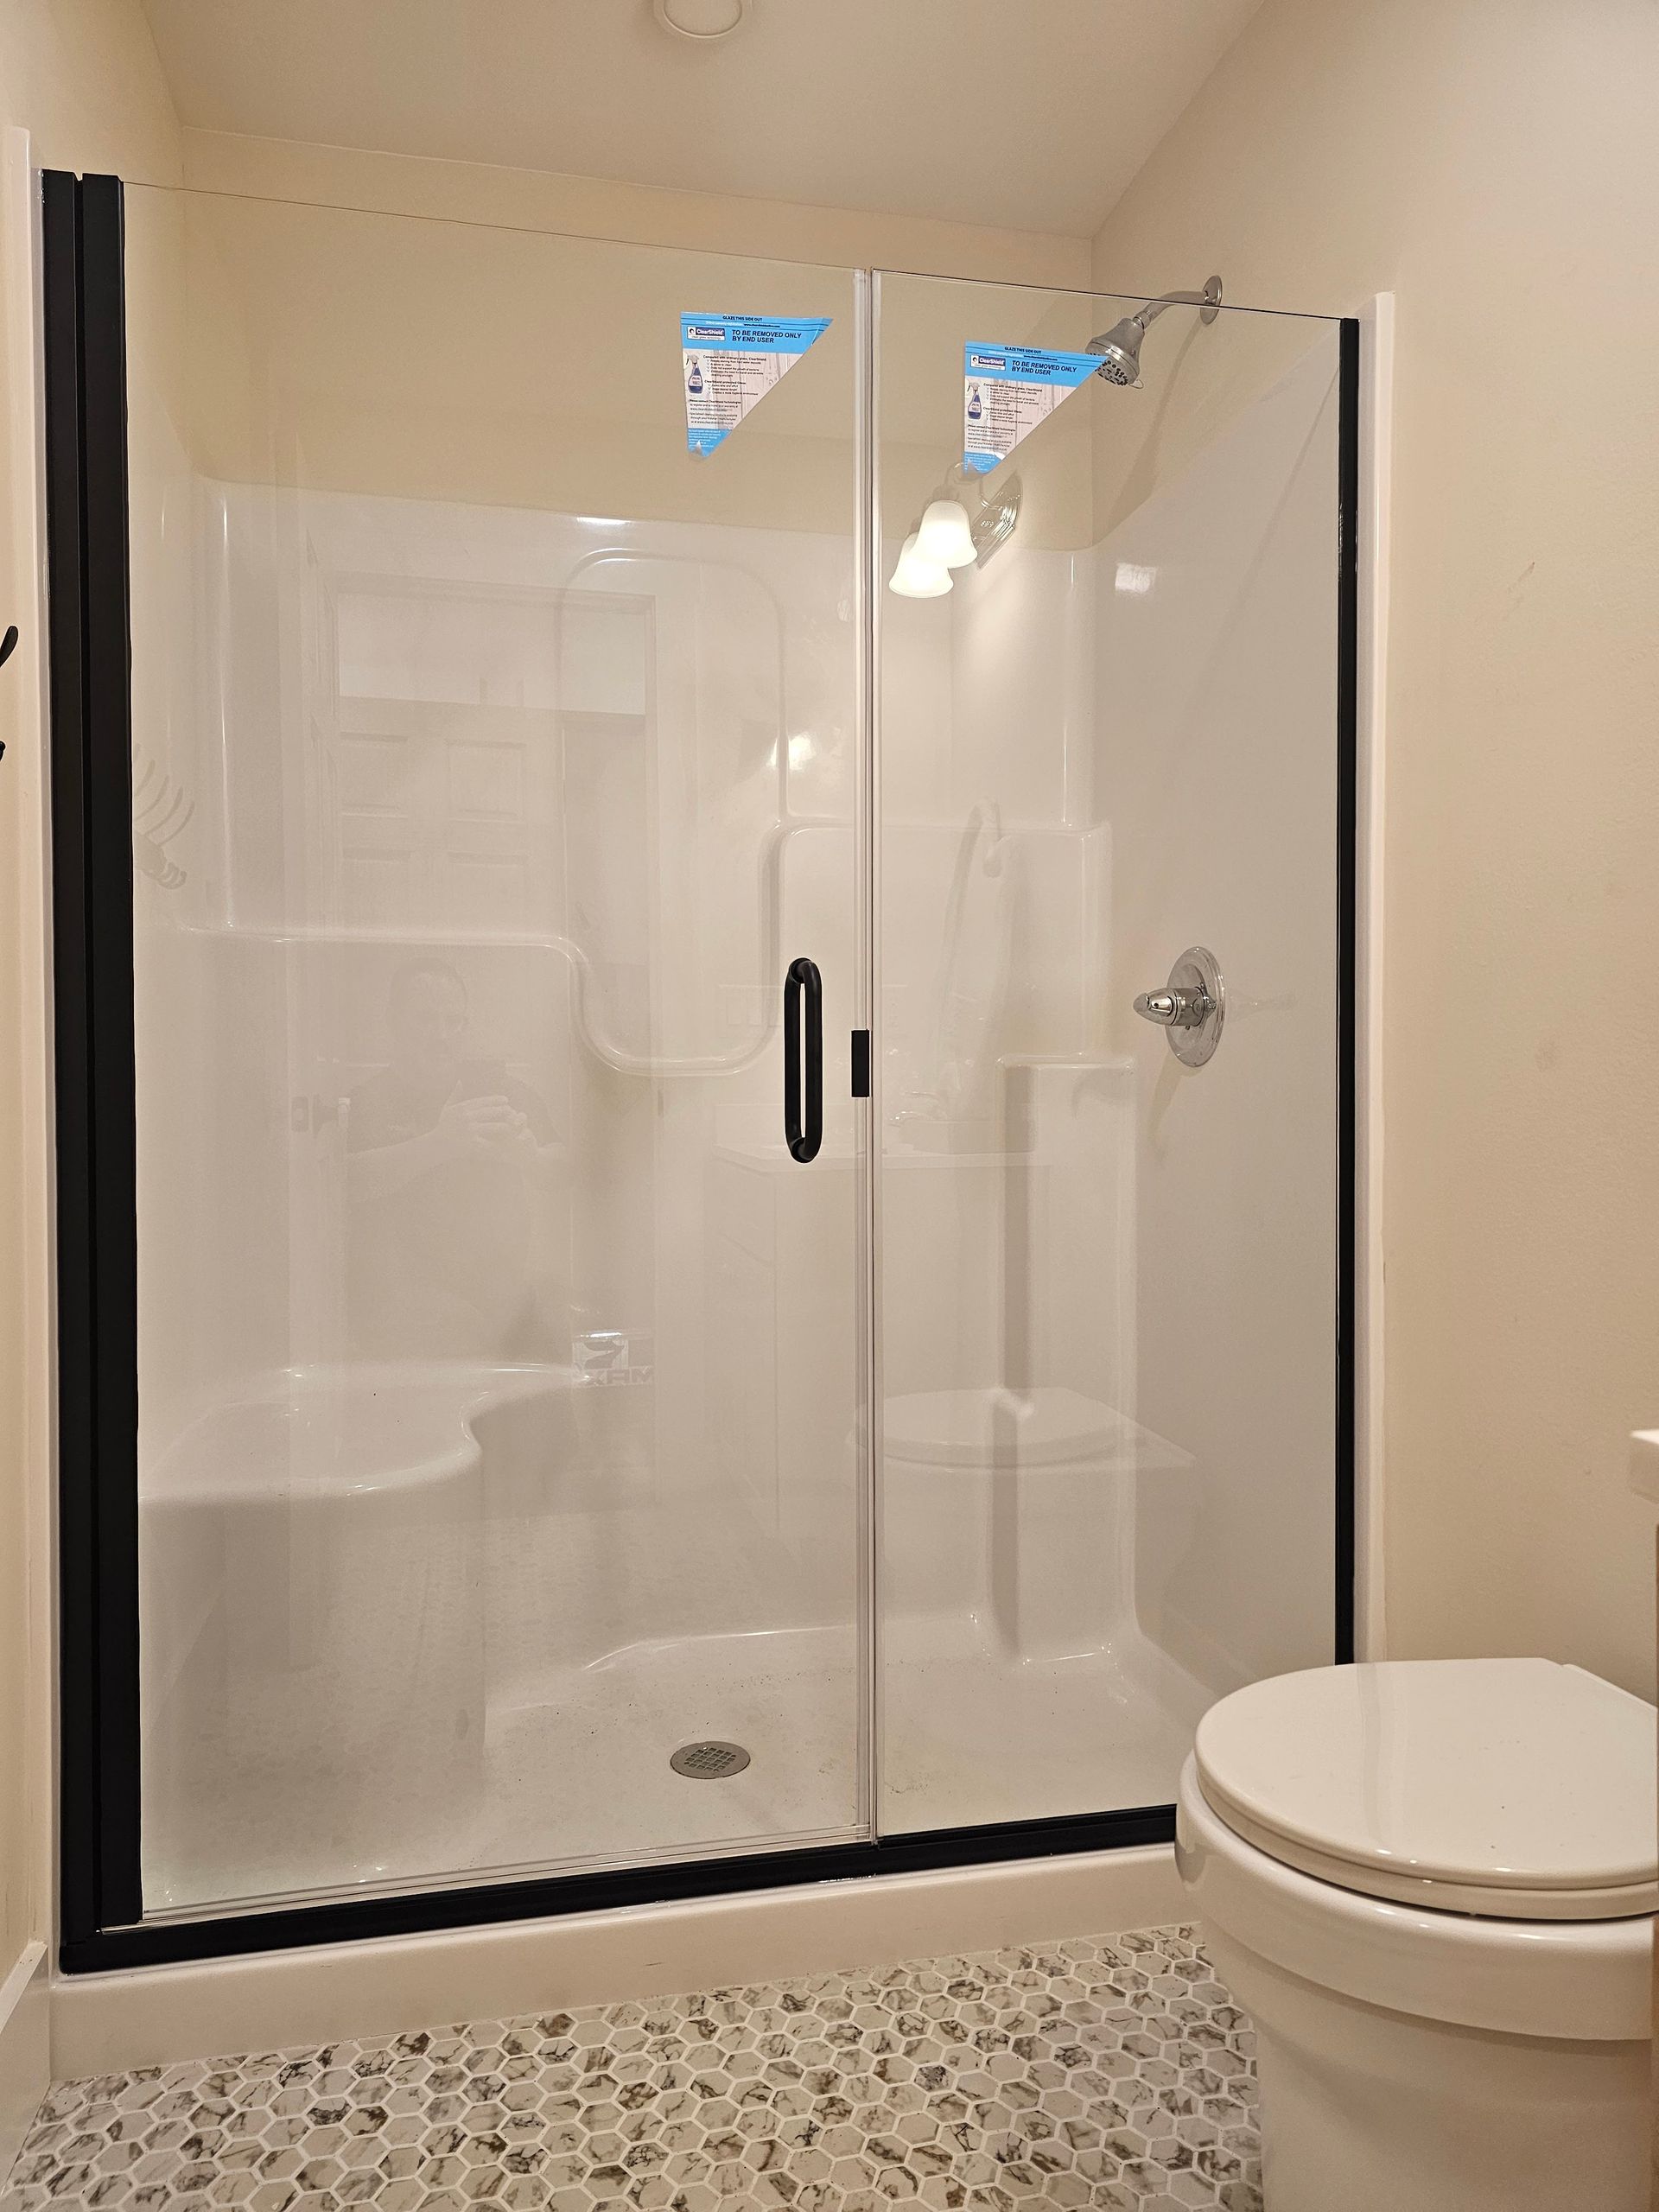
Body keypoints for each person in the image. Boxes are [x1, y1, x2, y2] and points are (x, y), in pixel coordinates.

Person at [345, 957, 563, 1358]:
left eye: (454, 1020)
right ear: (394, 1021)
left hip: (505, 1292)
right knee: (453, 1336)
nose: (441, 1034)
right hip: (406, 1301)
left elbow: (563, 1171)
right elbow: (346, 1184)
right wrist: (439, 1144)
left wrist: (528, 1155)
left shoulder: (503, 1093)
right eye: (425, 1019)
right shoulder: (369, 1101)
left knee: (561, 1357)